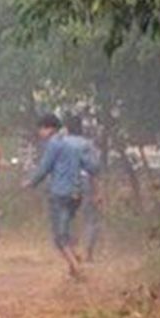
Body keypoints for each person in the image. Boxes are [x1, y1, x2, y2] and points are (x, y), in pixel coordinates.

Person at [23, 113, 102, 279]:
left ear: (48, 128)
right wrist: (97, 191)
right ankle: (74, 266)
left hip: (59, 193)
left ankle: (77, 267)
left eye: (41, 129)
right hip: (76, 194)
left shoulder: (54, 144)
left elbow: (44, 168)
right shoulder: (79, 144)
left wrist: (30, 183)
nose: (40, 134)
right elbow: (92, 168)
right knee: (67, 229)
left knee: (59, 236)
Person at [67, 114, 103, 261]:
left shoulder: (61, 144)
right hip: (85, 181)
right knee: (91, 218)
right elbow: (93, 170)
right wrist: (98, 192)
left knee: (68, 217)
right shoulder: (88, 145)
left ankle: (71, 250)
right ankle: (88, 252)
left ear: (67, 129)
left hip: (66, 183)